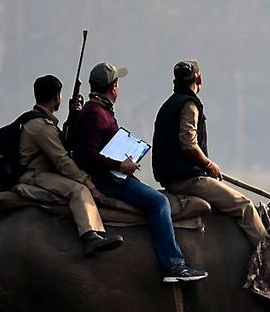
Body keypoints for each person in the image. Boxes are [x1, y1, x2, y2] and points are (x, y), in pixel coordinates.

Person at [72, 62, 208, 283]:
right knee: (158, 202)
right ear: (113, 86)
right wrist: (120, 166)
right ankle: (174, 264)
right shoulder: (96, 114)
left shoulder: (97, 110)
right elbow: (86, 155)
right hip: (107, 178)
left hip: (112, 173)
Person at [152, 60, 267, 246]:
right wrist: (208, 165)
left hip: (169, 178)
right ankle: (268, 252)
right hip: (188, 180)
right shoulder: (189, 105)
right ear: (199, 79)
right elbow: (189, 145)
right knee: (244, 206)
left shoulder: (167, 105)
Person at [19, 74, 122, 257]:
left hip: (43, 171)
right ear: (57, 96)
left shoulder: (43, 121)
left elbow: (64, 140)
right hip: (36, 174)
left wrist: (73, 116)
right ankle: (90, 236)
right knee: (78, 190)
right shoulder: (40, 126)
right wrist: (88, 184)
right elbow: (62, 159)